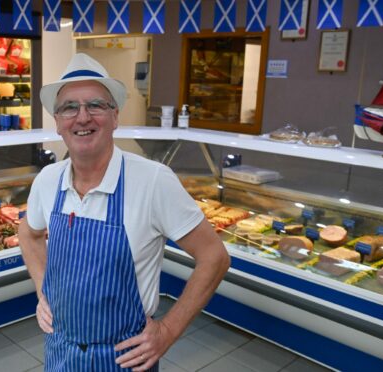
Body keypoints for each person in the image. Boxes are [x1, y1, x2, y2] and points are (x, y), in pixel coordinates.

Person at [19, 53, 230, 371]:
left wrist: (168, 330)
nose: (83, 117)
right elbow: (28, 233)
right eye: (69, 108)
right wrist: (42, 290)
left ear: (115, 117)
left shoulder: (153, 180)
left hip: (125, 359)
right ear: (58, 123)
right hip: (60, 352)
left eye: (96, 105)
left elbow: (214, 256)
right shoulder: (48, 180)